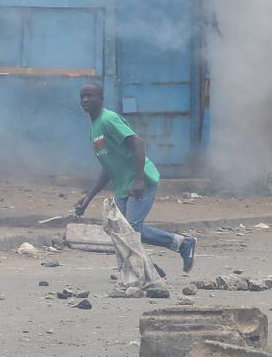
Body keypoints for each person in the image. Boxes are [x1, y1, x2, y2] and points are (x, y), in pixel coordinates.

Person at [74, 83, 196, 273]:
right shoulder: (93, 129)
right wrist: (88, 197)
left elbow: (137, 142)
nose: (85, 100)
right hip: (123, 186)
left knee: (130, 230)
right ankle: (180, 245)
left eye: (90, 96)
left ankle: (149, 267)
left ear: (101, 99)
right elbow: (108, 166)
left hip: (142, 180)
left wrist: (139, 179)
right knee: (121, 230)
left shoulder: (109, 120)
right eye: (82, 97)